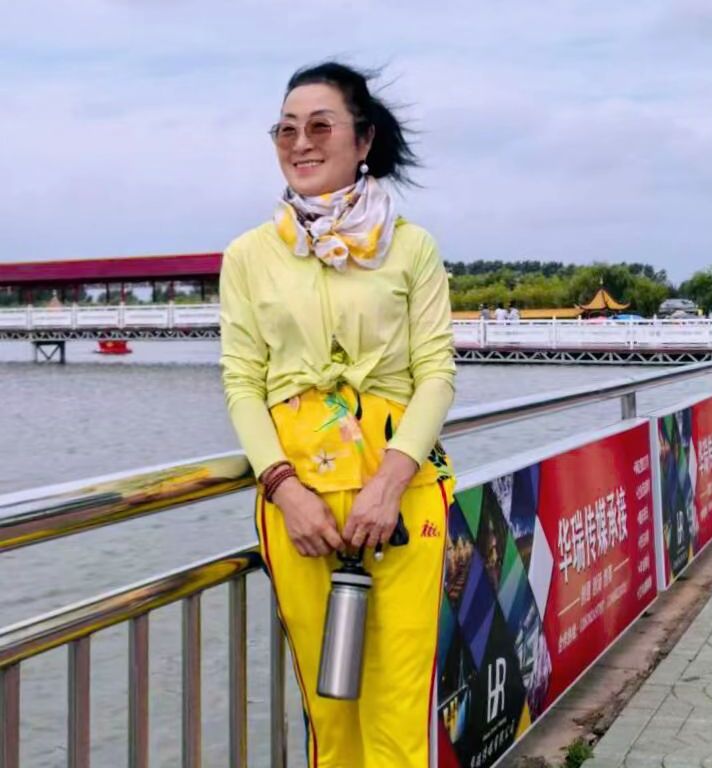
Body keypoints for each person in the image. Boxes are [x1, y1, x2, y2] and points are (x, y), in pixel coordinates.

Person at [219, 61, 456, 768]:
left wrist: (389, 483)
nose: (301, 143)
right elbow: (241, 383)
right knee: (330, 715)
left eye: (320, 126)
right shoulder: (249, 256)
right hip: (300, 505)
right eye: (286, 130)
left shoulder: (411, 247)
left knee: (398, 710)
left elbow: (436, 374)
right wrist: (283, 489)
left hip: (403, 494)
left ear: (364, 139)